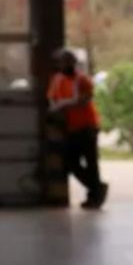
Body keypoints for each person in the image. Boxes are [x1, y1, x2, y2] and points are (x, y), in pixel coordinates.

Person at [46, 48, 107, 208]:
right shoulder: (57, 80)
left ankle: (94, 197)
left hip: (87, 126)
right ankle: (97, 187)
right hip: (71, 128)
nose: (65, 64)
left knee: (91, 163)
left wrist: (63, 104)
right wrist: (60, 106)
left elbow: (83, 101)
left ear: (73, 63)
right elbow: (52, 100)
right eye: (62, 62)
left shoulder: (82, 80)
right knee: (71, 162)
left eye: (68, 61)